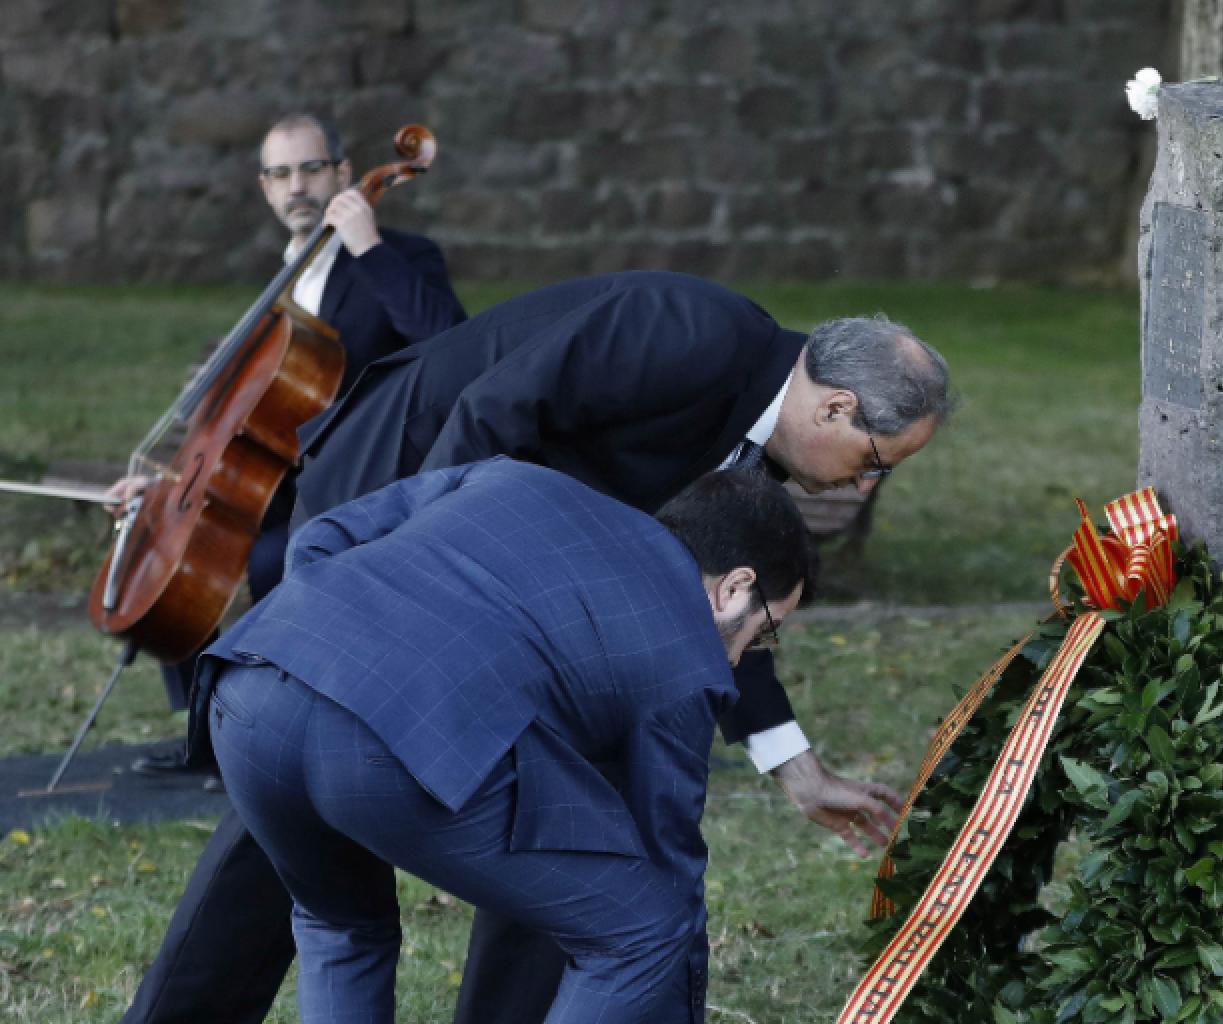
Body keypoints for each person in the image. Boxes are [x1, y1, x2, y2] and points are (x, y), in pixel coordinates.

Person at [123, 273, 953, 1024]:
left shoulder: (754, 466)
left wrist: (793, 764)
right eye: (875, 462)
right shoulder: (694, 330)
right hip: (402, 486)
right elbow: (493, 410)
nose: (864, 485)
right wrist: (424, 597)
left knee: (569, 800)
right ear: (836, 407)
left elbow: (712, 615)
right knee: (311, 785)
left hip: (496, 555)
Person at [201, 460, 817, 1023]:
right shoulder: (688, 656)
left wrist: (331, 644)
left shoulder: (513, 478)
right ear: (734, 587)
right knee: (645, 928)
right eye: (763, 634)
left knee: (341, 924)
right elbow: (670, 867)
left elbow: (327, 531)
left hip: (250, 684)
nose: (741, 659)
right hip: (391, 744)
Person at [130, 112, 465, 781]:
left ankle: (268, 738)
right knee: (167, 548)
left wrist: (367, 246)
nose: (298, 186)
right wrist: (166, 478)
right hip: (281, 473)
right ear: (264, 188)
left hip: (362, 478)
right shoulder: (277, 285)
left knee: (268, 560)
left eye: (312, 168)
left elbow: (451, 342)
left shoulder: (400, 256)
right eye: (281, 174)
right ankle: (209, 735)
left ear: (343, 174)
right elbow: (242, 411)